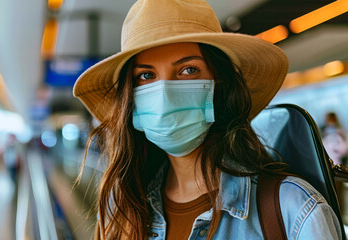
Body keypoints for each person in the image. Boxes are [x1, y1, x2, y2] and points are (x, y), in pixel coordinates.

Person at [73, 0, 342, 239]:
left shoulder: (293, 209)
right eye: (146, 76)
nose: (164, 93)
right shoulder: (121, 209)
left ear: (220, 85)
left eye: (188, 70)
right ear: (131, 101)